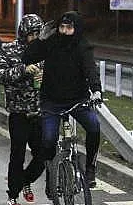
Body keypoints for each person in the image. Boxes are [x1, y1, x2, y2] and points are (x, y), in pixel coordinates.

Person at [23, 11, 103, 189]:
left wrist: (96, 90)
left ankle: (90, 168)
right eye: (62, 27)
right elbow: (28, 57)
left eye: (69, 28)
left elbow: (90, 69)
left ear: (77, 29)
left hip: (77, 100)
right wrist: (40, 40)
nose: (65, 31)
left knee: (94, 127)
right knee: (48, 141)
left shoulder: (82, 46)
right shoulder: (52, 43)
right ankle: (50, 180)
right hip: (51, 101)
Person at [0, 14, 46, 205]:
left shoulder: (46, 50)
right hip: (19, 111)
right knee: (17, 155)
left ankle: (25, 180)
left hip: (41, 110)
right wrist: (23, 70)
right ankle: (13, 195)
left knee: (43, 155)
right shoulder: (10, 50)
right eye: (31, 34)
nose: (35, 38)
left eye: (38, 33)